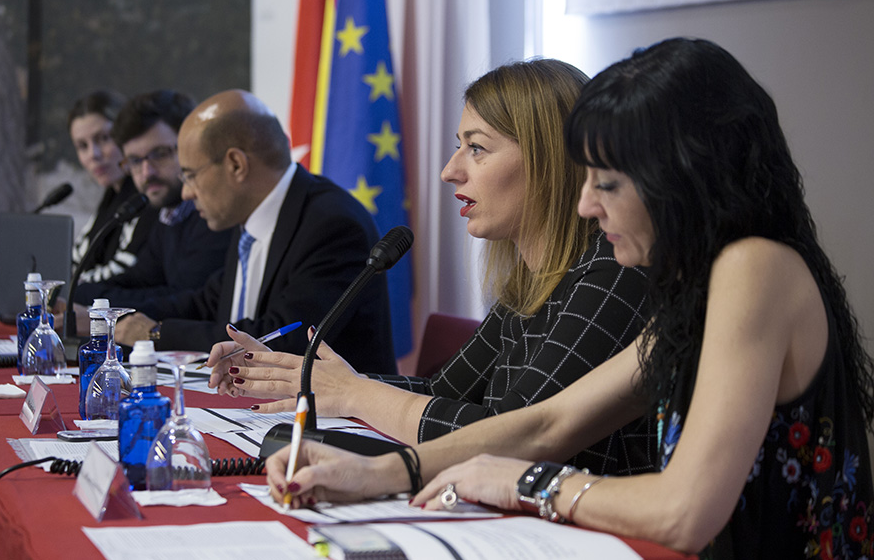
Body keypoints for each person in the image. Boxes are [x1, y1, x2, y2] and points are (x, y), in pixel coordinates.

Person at [265, 39, 874, 559]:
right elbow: (550, 422)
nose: (586, 204)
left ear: (680, 176)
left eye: (606, 182)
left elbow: (684, 511)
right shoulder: (698, 287)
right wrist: (377, 473)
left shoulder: (754, 267)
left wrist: (526, 483)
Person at [209, 60, 653, 476]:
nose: (449, 171)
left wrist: (355, 394)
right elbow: (444, 393)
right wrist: (307, 377)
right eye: (459, 146)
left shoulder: (615, 271)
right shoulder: (529, 280)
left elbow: (511, 432)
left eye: (476, 148)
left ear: (548, 161)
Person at [112, 89, 397, 374]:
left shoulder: (332, 224)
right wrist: (109, 317)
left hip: (332, 402)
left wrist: (156, 334)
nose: (186, 193)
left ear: (236, 165)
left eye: (191, 176)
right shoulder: (248, 216)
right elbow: (206, 303)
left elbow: (284, 340)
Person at [70, 90, 233, 322]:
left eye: (160, 154)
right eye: (135, 161)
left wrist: (97, 310)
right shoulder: (168, 215)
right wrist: (75, 292)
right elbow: (138, 280)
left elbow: (187, 302)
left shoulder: (215, 215)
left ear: (190, 147)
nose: (147, 172)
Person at [68, 90, 155, 283]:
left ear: (128, 135)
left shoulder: (148, 194)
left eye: (104, 138)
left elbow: (126, 271)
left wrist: (71, 286)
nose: (94, 154)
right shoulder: (110, 197)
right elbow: (75, 260)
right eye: (82, 146)